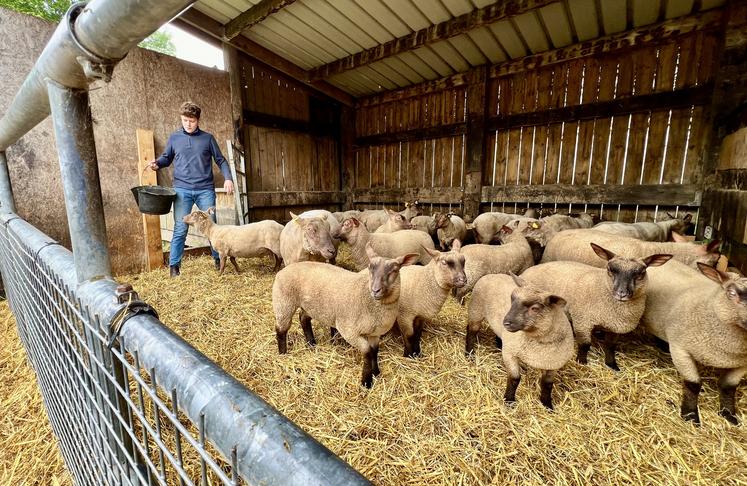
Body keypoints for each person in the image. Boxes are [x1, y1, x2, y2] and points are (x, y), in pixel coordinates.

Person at [148, 101, 234, 277]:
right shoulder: (174, 138)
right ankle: (174, 267)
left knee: (212, 226)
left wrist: (228, 178)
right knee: (180, 227)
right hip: (182, 190)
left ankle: (218, 261)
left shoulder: (208, 138)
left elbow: (221, 160)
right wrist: (157, 163)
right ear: (182, 119)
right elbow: (166, 158)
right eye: (185, 120)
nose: (188, 124)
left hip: (205, 190)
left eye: (192, 121)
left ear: (198, 120)